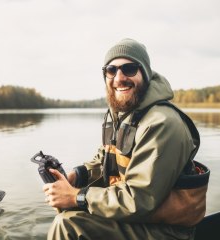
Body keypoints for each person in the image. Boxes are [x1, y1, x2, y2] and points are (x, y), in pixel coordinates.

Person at [42, 38, 209, 240]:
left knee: (67, 224)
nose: (119, 78)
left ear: (145, 74)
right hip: (137, 219)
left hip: (165, 231)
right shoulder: (123, 115)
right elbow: (105, 159)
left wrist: (75, 196)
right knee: (67, 211)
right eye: (111, 70)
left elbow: (139, 199)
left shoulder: (162, 123)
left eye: (129, 69)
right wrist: (77, 176)